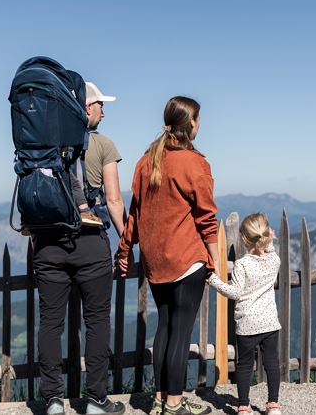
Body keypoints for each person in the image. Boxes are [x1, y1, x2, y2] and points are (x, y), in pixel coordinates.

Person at [116, 96, 218, 415]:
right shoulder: (194, 163)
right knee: (181, 331)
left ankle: (161, 398)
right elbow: (207, 217)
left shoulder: (146, 161)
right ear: (190, 124)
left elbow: (135, 213)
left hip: (155, 260)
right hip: (186, 258)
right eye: (199, 120)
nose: (200, 125)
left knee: (164, 327)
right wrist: (214, 259)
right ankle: (174, 404)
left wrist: (124, 251)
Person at [33, 82, 126, 415]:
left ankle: (53, 400)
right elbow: (114, 200)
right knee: (97, 321)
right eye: (100, 104)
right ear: (86, 109)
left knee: (50, 323)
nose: (104, 110)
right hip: (89, 243)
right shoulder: (103, 145)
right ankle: (96, 400)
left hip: (48, 245)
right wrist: (126, 241)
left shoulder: (41, 143)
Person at [208, 213, 282, 415]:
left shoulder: (242, 264)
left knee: (244, 365)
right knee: (271, 363)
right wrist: (270, 243)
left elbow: (235, 292)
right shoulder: (275, 261)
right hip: (269, 323)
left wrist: (214, 280)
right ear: (266, 235)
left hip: (247, 324)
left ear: (243, 239)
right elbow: (271, 251)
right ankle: (273, 405)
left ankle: (243, 406)